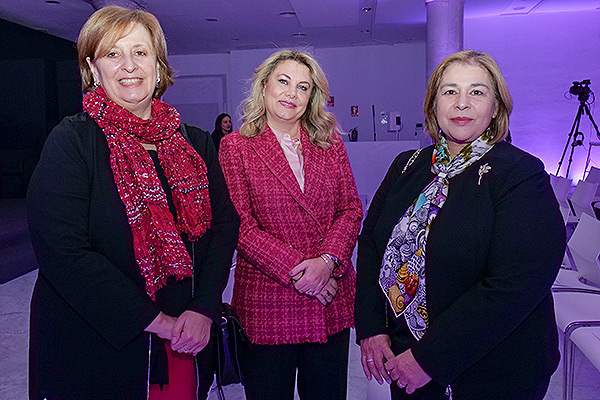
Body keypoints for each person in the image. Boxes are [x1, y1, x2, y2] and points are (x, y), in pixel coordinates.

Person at [27, 6, 239, 400]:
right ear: (93, 69)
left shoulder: (195, 143)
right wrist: (153, 320)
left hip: (185, 338)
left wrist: (205, 307)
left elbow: (224, 226)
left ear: (158, 66)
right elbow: (63, 251)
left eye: (140, 53)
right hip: (95, 345)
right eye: (112, 54)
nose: (129, 65)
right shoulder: (72, 141)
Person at [355, 50, 566, 400]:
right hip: (405, 359)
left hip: (493, 371)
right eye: (450, 91)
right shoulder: (407, 165)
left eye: (477, 92)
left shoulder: (520, 174)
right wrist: (372, 327)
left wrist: (429, 359)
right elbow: (372, 243)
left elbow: (515, 285)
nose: (462, 103)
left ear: (496, 107)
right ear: (433, 104)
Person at [218, 49, 363, 400]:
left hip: (330, 302)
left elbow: (351, 209)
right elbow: (241, 227)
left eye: (303, 87)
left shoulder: (330, 144)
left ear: (312, 96)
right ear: (264, 85)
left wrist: (327, 262)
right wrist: (307, 274)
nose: (291, 94)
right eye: (283, 82)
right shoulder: (235, 148)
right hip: (269, 306)